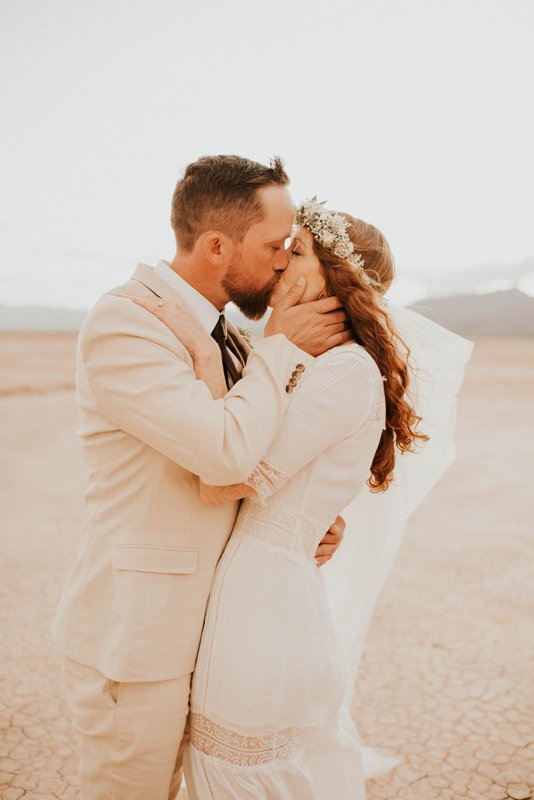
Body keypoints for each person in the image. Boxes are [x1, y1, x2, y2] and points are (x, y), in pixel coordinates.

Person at [52, 158, 351, 800]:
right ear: (217, 246)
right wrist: (281, 346)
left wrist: (302, 521)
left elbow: (249, 454)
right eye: (274, 245)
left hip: (208, 638)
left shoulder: (227, 334)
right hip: (138, 641)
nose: (283, 262)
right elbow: (222, 451)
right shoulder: (126, 323)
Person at [134, 198, 430, 799]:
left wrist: (207, 354)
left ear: (335, 278)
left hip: (263, 599)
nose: (279, 264)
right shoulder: (310, 363)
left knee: (241, 772)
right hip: (255, 584)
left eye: (296, 252)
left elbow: (222, 481)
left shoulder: (345, 371)